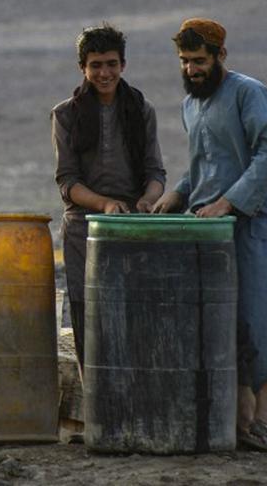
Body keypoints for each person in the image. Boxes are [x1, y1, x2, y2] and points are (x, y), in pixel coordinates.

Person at [152, 17, 267, 452]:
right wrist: (179, 194)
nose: (191, 70)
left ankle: (264, 419)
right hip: (208, 232)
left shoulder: (249, 92)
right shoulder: (192, 105)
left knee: (257, 319)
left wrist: (228, 202)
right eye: (185, 62)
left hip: (252, 225)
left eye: (199, 61)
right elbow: (206, 166)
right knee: (222, 323)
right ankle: (239, 421)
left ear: (221, 56)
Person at [51, 23, 166, 372]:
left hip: (133, 230)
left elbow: (156, 173)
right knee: (92, 324)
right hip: (83, 232)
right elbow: (67, 181)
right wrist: (104, 205)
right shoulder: (66, 115)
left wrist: (148, 200)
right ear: (83, 68)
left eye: (112, 64)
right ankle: (97, 413)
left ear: (123, 65)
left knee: (137, 321)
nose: (105, 73)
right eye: (96, 65)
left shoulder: (141, 109)